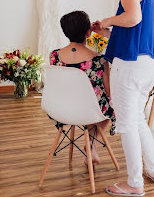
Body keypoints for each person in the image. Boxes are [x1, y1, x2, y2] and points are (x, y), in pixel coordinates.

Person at [95, 0, 154, 196]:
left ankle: (135, 183)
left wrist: (107, 19)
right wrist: (106, 28)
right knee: (138, 119)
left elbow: (132, 18)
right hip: (150, 64)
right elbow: (133, 29)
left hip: (132, 64)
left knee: (126, 123)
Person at [49, 10, 115, 167]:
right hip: (89, 110)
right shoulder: (99, 58)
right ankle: (91, 144)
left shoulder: (54, 55)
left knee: (93, 104)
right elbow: (109, 90)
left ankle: (91, 145)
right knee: (110, 106)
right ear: (88, 31)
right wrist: (100, 34)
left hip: (61, 108)